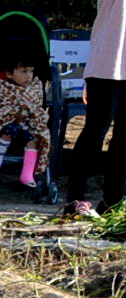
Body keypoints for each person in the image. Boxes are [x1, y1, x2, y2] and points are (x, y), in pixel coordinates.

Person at [68, 0, 126, 216]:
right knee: (95, 131)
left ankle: (113, 202)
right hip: (106, 65)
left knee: (123, 140)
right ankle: (75, 200)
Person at [0, 59, 52, 184]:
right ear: (9, 74)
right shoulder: (0, 87)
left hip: (29, 121)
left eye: (31, 71)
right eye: (23, 71)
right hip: (7, 121)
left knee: (36, 137)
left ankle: (27, 174)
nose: (28, 75)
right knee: (7, 131)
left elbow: (37, 106)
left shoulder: (35, 87)